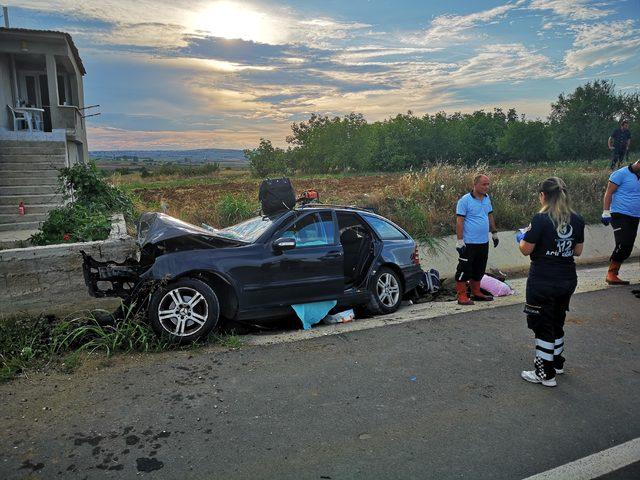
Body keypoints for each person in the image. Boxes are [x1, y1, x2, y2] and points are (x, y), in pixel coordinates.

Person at [517, 177, 584, 387]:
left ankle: (544, 374)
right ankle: (556, 363)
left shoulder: (540, 219)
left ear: (543, 195)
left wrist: (521, 238)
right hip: (567, 278)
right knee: (557, 320)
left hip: (543, 279)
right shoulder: (577, 219)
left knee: (542, 324)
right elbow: (578, 251)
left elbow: (526, 249)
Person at [455, 173, 500, 305]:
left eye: (488, 184)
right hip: (469, 243)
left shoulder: (487, 199)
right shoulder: (465, 201)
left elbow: (490, 215)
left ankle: (476, 292)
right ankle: (462, 295)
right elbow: (459, 222)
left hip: (483, 242)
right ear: (475, 185)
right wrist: (460, 241)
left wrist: (494, 233)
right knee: (464, 269)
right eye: (484, 184)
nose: (487, 187)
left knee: (479, 268)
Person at [601, 160, 640, 284]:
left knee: (628, 246)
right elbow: (608, 193)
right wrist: (606, 212)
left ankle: (614, 273)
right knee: (623, 243)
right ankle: (611, 274)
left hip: (635, 215)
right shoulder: (620, 174)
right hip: (619, 214)